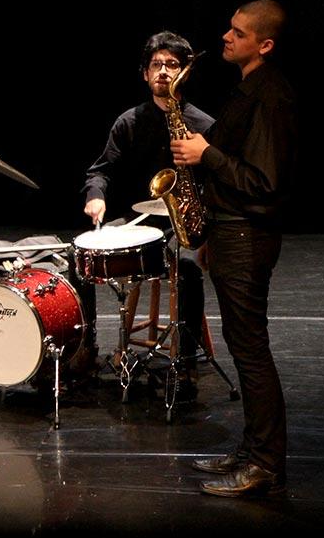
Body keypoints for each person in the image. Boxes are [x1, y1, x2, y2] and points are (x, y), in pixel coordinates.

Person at [172, 0, 296, 497]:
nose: (227, 36)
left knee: (251, 351)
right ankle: (251, 450)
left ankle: (265, 463)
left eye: (239, 33)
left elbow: (263, 182)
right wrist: (209, 233)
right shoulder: (246, 90)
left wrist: (207, 154)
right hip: (230, 233)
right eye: (230, 28)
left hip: (247, 235)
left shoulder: (271, 97)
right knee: (244, 348)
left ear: (264, 45)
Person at [81, 31, 214, 394]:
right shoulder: (129, 122)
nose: (163, 71)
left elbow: (219, 183)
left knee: (187, 270)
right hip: (139, 220)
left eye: (172, 64)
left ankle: (185, 362)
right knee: (81, 258)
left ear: (184, 72)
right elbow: (100, 171)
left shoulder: (204, 125)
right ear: (145, 73)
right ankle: (84, 349)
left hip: (183, 222)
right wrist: (96, 197)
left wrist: (207, 230)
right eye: (156, 65)